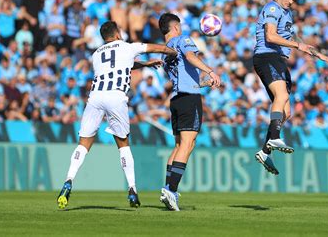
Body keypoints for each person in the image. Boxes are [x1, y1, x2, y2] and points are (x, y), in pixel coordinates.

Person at [56, 21, 177, 209]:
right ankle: (132, 190)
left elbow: (118, 65)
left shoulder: (96, 54)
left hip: (95, 97)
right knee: (123, 145)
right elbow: (154, 48)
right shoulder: (128, 47)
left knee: (83, 143)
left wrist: (144, 64)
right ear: (118, 33)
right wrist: (174, 51)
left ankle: (68, 180)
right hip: (116, 96)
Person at [253, 0, 328, 175]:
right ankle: (275, 137)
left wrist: (315, 52)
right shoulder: (272, 7)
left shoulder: (287, 13)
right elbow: (271, 36)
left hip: (279, 59)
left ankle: (265, 152)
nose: (290, 1)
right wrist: (297, 46)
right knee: (281, 95)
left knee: (286, 112)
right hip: (267, 56)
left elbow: (293, 39)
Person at [158, 13, 221, 211]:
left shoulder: (165, 52)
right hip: (189, 100)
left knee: (178, 145)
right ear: (176, 27)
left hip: (177, 99)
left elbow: (182, 77)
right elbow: (190, 56)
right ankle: (171, 190)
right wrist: (210, 71)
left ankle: (168, 188)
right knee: (188, 143)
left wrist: (203, 82)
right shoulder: (183, 40)